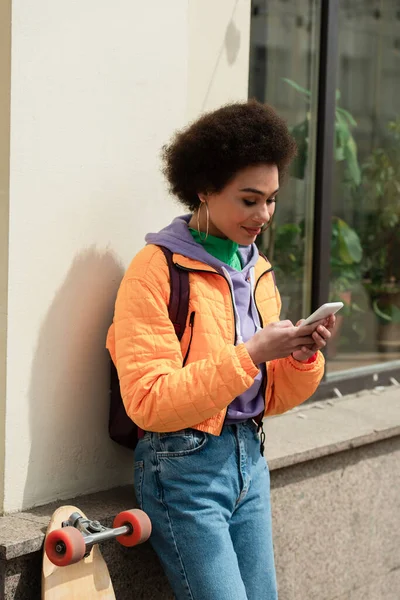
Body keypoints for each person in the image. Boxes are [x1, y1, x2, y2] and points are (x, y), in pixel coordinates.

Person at [106, 100, 335, 600]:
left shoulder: (258, 270)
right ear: (204, 190)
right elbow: (148, 400)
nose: (264, 215)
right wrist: (251, 354)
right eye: (249, 200)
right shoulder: (154, 270)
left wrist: (299, 357)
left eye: (272, 200)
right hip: (182, 469)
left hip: (249, 460)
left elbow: (268, 398)